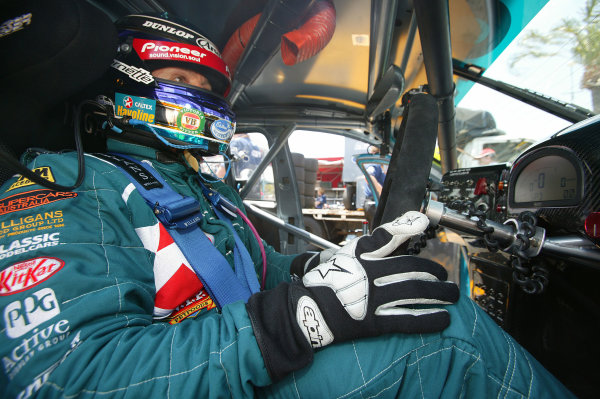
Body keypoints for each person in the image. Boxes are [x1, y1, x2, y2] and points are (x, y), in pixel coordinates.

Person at [0, 5, 575, 399]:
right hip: (226, 375)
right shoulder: (64, 187)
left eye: (210, 91)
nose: (203, 101)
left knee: (434, 308)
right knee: (451, 344)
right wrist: (288, 323)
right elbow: (62, 376)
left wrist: (316, 269)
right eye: (186, 82)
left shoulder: (201, 187)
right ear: (125, 83)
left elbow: (246, 274)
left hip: (237, 368)